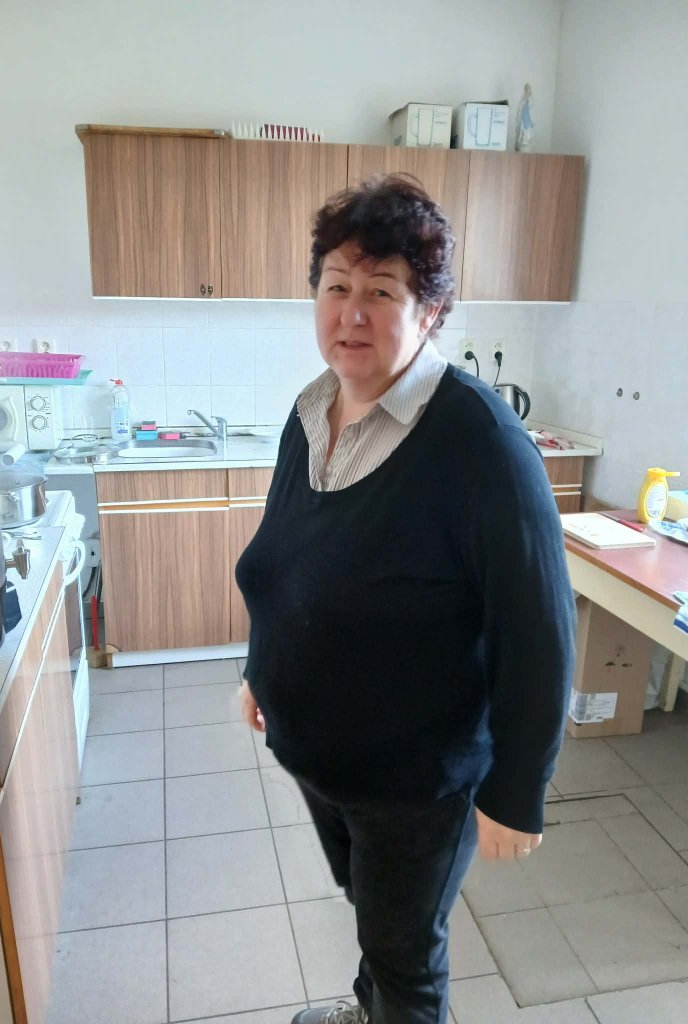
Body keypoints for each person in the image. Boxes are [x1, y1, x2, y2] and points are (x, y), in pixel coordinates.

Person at [235, 174, 576, 1024]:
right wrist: (259, 670)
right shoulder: (312, 409)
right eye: (335, 286)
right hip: (324, 760)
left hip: (414, 780)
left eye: (382, 292)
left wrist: (517, 792)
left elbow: (538, 632)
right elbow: (283, 562)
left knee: (407, 956)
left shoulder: (481, 444)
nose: (351, 313)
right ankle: (367, 1008)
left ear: (430, 312)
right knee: (376, 915)